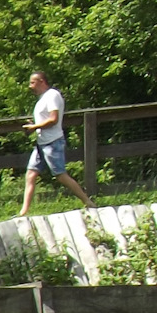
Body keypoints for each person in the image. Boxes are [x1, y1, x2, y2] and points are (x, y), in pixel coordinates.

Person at [19, 70, 94, 215]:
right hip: (41, 143)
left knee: (60, 175)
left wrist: (35, 127)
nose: (30, 86)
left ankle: (88, 201)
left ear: (42, 81)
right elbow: (45, 120)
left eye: (32, 82)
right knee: (30, 174)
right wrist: (33, 125)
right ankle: (24, 212)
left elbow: (53, 119)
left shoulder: (52, 95)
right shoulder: (42, 99)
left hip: (53, 143)